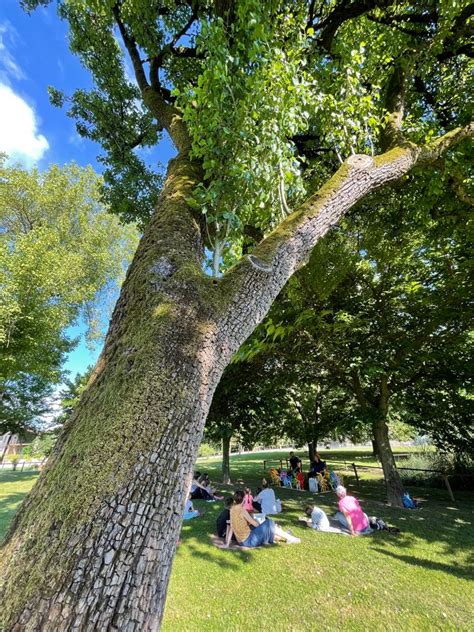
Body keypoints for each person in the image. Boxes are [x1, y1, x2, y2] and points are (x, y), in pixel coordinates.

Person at [225, 490, 300, 548]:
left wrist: (227, 544)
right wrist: (261, 524)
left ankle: (285, 535)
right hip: (249, 540)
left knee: (266, 527)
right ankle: (290, 538)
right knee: (269, 523)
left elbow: (232, 527)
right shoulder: (242, 510)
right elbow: (255, 524)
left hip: (241, 541)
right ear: (243, 499)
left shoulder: (232, 510)